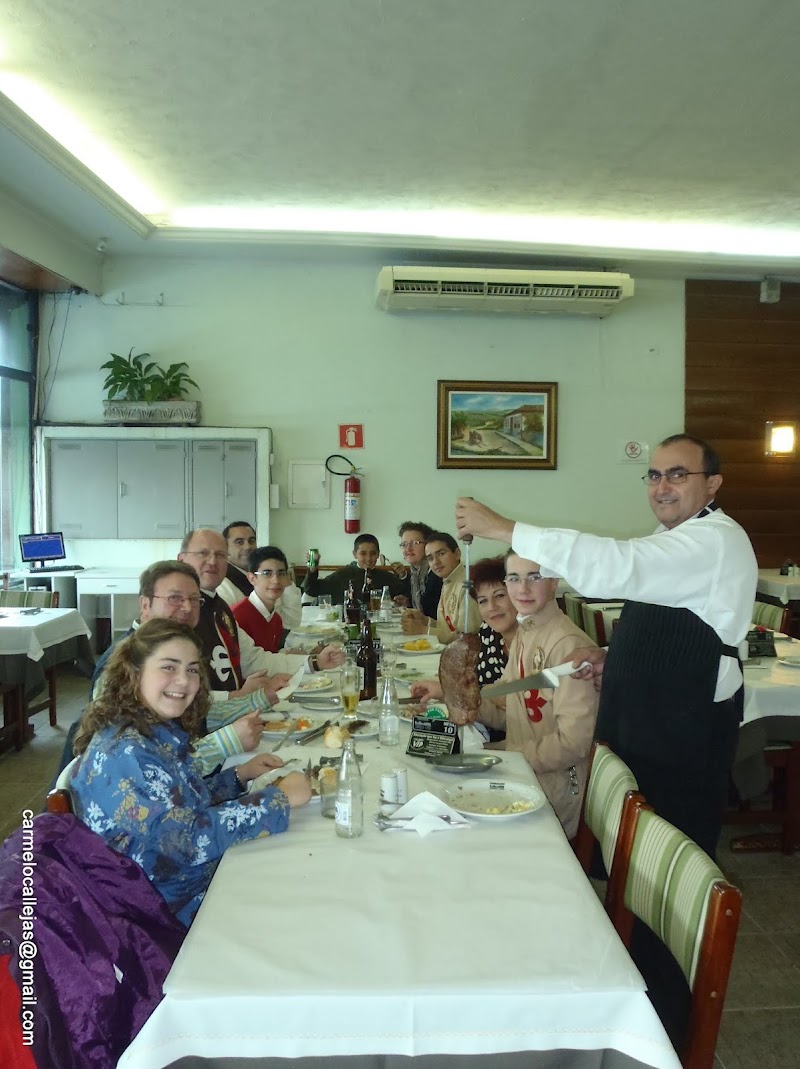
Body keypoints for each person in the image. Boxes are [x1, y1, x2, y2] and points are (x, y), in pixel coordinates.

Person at [456, 433, 758, 1048]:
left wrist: (506, 528)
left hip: (681, 731)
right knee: (634, 870)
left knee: (666, 877)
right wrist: (612, 660)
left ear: (712, 484)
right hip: (649, 720)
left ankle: (661, 1025)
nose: (662, 486)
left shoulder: (716, 539)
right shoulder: (677, 543)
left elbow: (621, 567)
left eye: (677, 474)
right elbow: (663, 616)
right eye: (654, 475)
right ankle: (631, 990)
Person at [69, 618, 312, 927]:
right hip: (164, 912)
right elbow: (188, 842)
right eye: (168, 667)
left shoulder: (151, 731)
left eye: (192, 670)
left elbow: (180, 804)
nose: (183, 681)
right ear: (135, 673)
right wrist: (278, 799)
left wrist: (238, 776)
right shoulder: (127, 754)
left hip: (185, 884)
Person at [447, 553, 598, 838]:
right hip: (522, 775)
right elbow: (509, 713)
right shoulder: (526, 634)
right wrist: (458, 700)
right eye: (514, 579)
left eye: (534, 577)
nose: (523, 589)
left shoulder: (567, 646)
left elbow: (573, 744)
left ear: (554, 582)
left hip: (552, 793)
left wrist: (503, 756)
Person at [178, 529, 344, 694]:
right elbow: (180, 691)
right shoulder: (178, 613)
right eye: (203, 553)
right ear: (182, 559)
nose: (213, 561)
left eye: (221, 555)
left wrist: (315, 662)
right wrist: (236, 697)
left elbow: (255, 660)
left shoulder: (221, 609)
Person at [410, 555, 513, 742]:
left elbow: (514, 717)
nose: (492, 607)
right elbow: (478, 690)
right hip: (481, 726)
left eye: (499, 595)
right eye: (482, 600)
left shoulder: (532, 642)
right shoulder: (489, 631)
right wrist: (445, 691)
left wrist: (452, 694)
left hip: (507, 741)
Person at [217, 520, 302, 629]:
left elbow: (290, 622)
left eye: (251, 541)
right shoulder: (222, 585)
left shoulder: (271, 574)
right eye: (239, 542)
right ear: (225, 548)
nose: (248, 547)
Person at [401, 531, 479, 645]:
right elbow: (448, 627)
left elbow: (466, 638)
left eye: (441, 554)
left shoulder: (468, 585)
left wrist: (424, 631)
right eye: (430, 558)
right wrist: (425, 621)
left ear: (457, 554)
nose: (436, 562)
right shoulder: (448, 580)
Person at [301, 533, 401, 605]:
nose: (368, 558)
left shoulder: (387, 578)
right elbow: (311, 589)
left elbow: (403, 595)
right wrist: (313, 568)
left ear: (378, 554)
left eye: (373, 553)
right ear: (355, 554)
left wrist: (403, 575)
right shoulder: (342, 575)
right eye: (363, 553)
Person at [231, 545, 292, 653]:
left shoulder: (276, 619)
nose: (276, 580)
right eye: (267, 574)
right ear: (252, 578)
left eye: (281, 573)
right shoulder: (237, 617)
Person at [391, 521, 442, 617]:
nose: (408, 549)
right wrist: (408, 603)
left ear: (428, 545)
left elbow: (432, 613)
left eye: (415, 543)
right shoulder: (414, 574)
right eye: (404, 544)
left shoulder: (437, 573)